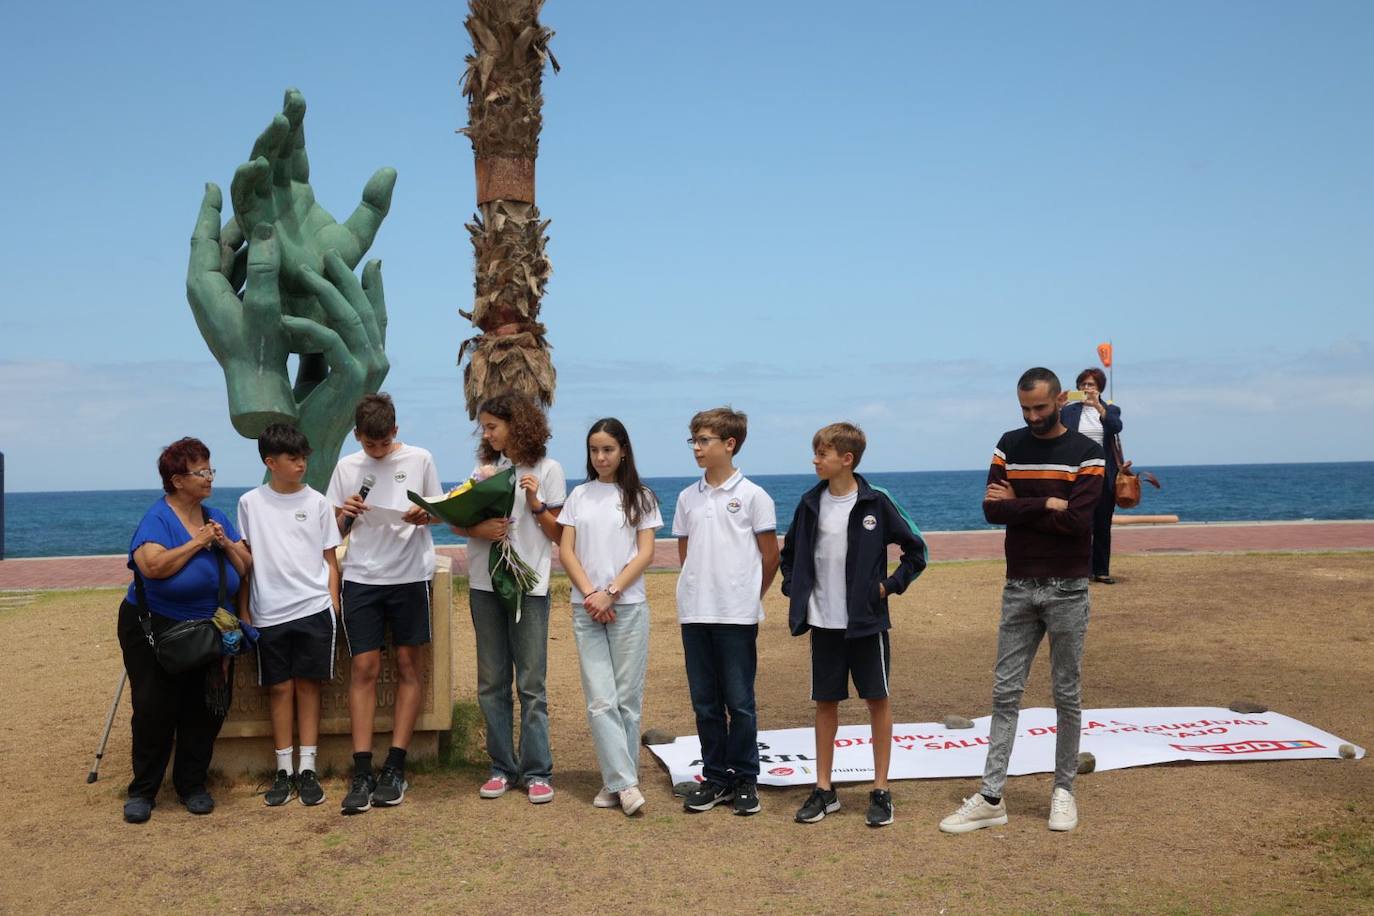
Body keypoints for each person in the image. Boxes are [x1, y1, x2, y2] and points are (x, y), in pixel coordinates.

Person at [939, 367, 1103, 835]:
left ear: (1060, 401)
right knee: (1005, 692)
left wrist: (1021, 503)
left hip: (1068, 586)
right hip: (1018, 584)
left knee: (1066, 693)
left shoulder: (1086, 453)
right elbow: (992, 509)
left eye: (1040, 407)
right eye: (1025, 408)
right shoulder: (1008, 444)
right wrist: (1047, 503)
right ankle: (991, 796)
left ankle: (1063, 791)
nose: (1032, 416)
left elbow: (1078, 522)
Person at [780, 423, 928, 828]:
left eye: (822, 453)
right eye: (815, 452)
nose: (815, 460)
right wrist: (794, 588)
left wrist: (888, 587)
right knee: (825, 704)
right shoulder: (809, 503)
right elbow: (789, 554)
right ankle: (824, 789)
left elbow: (917, 551)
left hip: (866, 623)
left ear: (846, 459)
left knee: (877, 701)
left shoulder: (876, 502)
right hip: (822, 624)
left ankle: (880, 789)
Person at [117, 438, 251, 824]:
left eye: (210, 470)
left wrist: (225, 544)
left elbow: (245, 567)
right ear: (177, 480)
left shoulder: (216, 516)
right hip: (157, 628)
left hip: (210, 628)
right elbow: (152, 567)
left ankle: (192, 785)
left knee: (205, 707)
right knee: (154, 707)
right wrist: (197, 543)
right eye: (201, 472)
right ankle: (143, 790)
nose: (209, 478)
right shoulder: (158, 519)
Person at [327, 393, 442, 815]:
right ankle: (362, 770)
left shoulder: (420, 459)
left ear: (395, 431)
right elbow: (333, 532)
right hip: (361, 576)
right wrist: (345, 513)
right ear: (357, 435)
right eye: (368, 443)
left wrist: (424, 515)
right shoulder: (347, 467)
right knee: (364, 668)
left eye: (383, 442)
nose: (376, 450)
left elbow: (439, 511)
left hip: (410, 575)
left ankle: (395, 766)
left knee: (410, 665)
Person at [449, 393, 566, 804]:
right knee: (491, 682)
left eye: (492, 426)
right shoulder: (485, 470)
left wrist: (536, 504)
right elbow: (458, 519)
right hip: (484, 584)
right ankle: (501, 767)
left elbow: (559, 534)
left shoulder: (548, 470)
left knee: (531, 684)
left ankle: (537, 771)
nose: (486, 434)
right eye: (484, 427)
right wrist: (475, 530)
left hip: (528, 587)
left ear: (517, 425)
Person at [673, 406, 779, 816]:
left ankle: (745, 778)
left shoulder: (754, 496)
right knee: (705, 703)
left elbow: (770, 556)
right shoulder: (687, 497)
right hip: (695, 614)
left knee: (740, 702)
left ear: (730, 444)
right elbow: (686, 554)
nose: (696, 448)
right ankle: (716, 777)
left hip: (736, 616)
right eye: (694, 441)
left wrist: (750, 596)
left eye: (704, 440)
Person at [558, 418, 663, 816]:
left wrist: (612, 592)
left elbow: (645, 553)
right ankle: (625, 783)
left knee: (627, 701)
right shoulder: (579, 495)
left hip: (628, 606)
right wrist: (591, 594)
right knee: (600, 700)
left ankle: (616, 782)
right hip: (586, 608)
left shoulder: (642, 497)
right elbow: (566, 551)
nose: (600, 457)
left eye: (607, 449)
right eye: (594, 450)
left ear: (622, 451)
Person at [236, 423, 342, 808]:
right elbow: (246, 560)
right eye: (293, 458)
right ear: (271, 462)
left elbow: (330, 558)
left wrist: (333, 601)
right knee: (279, 688)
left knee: (309, 686)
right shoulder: (250, 503)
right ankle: (283, 769)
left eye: (303, 458)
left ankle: (308, 768)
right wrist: (244, 609)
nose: (301, 465)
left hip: (313, 607)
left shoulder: (317, 502)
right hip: (268, 611)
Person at [1060, 368, 1124, 584]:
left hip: (1103, 474)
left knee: (1103, 524)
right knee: (1081, 523)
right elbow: (1049, 428)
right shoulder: (1069, 411)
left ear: (1100, 389)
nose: (1087, 388)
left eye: (1091, 385)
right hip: (1078, 474)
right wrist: (1057, 407)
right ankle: (1083, 570)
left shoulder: (1110, 409)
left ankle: (1101, 570)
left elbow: (1116, 427)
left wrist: (1098, 406)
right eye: (1083, 384)